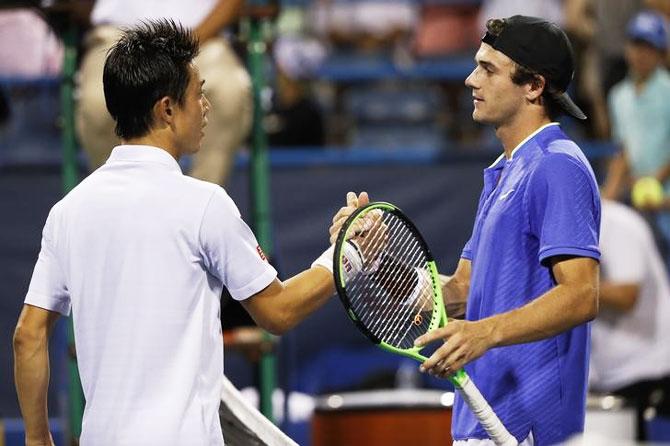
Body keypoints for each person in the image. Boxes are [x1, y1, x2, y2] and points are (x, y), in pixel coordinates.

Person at [12, 20, 361, 446]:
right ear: (167, 109)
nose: (206, 106)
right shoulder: (204, 204)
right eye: (199, 93)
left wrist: (36, 438)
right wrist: (347, 254)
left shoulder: (66, 213)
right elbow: (279, 312)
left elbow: (28, 336)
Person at [411, 16, 601, 445]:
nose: (469, 79)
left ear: (534, 86)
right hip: (481, 421)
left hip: (528, 427)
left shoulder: (557, 164)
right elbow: (462, 291)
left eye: (488, 69)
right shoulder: (505, 169)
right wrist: (379, 261)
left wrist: (485, 332)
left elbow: (582, 294)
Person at [76, 0, 251, 185]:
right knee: (96, 103)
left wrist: (186, 43)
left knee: (228, 93)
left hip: (202, 37)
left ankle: (198, 206)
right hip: (117, 38)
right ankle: (119, 197)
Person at [590, 199, 670, 441]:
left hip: (647, 374)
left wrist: (571, 289)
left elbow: (627, 295)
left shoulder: (617, 223)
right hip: (608, 378)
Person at [601, 10, 670, 256]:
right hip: (636, 198)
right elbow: (624, 150)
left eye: (648, 47)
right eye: (636, 44)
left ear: (661, 54)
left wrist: (654, 180)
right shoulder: (618, 96)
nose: (640, 53)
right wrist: (610, 194)